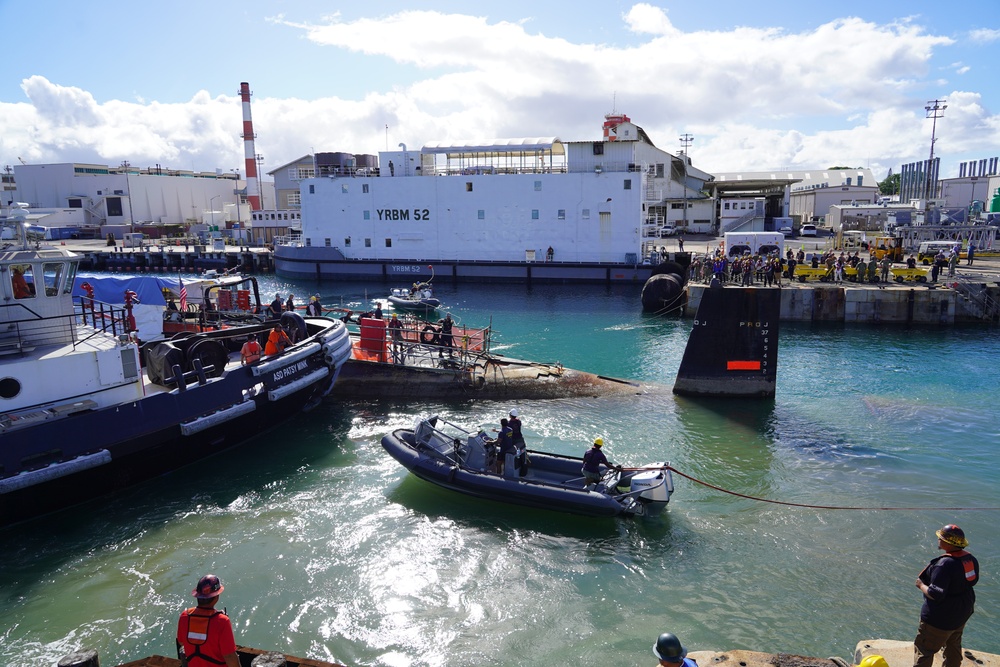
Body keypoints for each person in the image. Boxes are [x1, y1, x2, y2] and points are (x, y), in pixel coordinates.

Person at [914, 524, 979, 667]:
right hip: (961, 613)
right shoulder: (970, 559)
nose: (938, 540)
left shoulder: (943, 565)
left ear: (948, 542)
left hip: (940, 619)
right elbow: (972, 581)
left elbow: (935, 594)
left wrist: (921, 585)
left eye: (940, 538)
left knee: (924, 649)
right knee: (953, 646)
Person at [176, 574, 240, 667]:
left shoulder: (185, 616)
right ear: (216, 597)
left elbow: (181, 642)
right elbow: (230, 656)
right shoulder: (222, 621)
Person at [508, 408, 527, 477]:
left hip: (514, 440)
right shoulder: (519, 422)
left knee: (514, 454)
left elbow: (507, 432)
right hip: (520, 439)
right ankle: (524, 471)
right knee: (523, 455)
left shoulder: (509, 424)